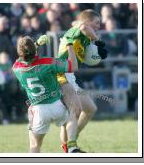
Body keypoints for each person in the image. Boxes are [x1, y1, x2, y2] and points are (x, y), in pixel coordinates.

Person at [12, 35, 82, 153]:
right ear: (34, 51)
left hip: (39, 111)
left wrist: (36, 45)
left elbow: (22, 58)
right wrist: (69, 45)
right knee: (68, 122)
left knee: (35, 146)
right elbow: (73, 66)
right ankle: (69, 148)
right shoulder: (48, 62)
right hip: (57, 106)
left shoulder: (16, 68)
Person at [57, 9, 108, 152]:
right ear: (87, 21)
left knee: (90, 109)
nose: (99, 26)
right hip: (61, 75)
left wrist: (97, 52)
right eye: (97, 23)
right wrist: (98, 41)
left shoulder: (84, 38)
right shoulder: (77, 30)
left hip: (70, 76)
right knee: (74, 110)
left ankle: (72, 139)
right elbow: (83, 27)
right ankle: (70, 147)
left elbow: (89, 55)